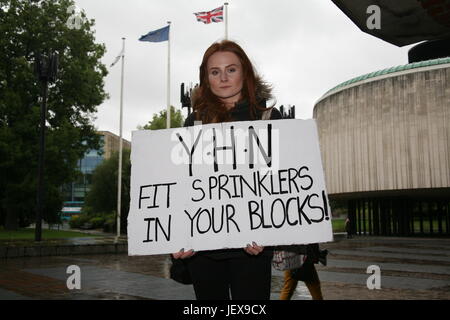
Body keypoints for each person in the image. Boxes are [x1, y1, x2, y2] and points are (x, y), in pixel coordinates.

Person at [171, 40, 282, 300]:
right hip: (204, 251)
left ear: (245, 72)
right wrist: (178, 238)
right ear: (205, 78)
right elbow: (183, 184)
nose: (223, 78)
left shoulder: (269, 118)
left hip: (253, 248)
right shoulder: (194, 121)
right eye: (214, 72)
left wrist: (270, 234)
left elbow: (281, 183)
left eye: (231, 70)